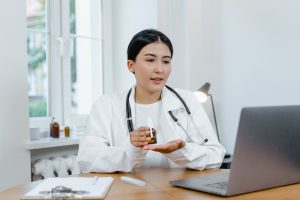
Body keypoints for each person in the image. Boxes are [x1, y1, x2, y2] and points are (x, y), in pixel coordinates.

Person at [77, 29, 225, 173]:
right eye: (150, 60)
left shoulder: (187, 100)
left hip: (178, 192)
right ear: (131, 65)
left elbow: (215, 155)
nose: (160, 69)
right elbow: (87, 159)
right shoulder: (106, 106)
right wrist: (131, 150)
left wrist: (181, 150)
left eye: (166, 61)